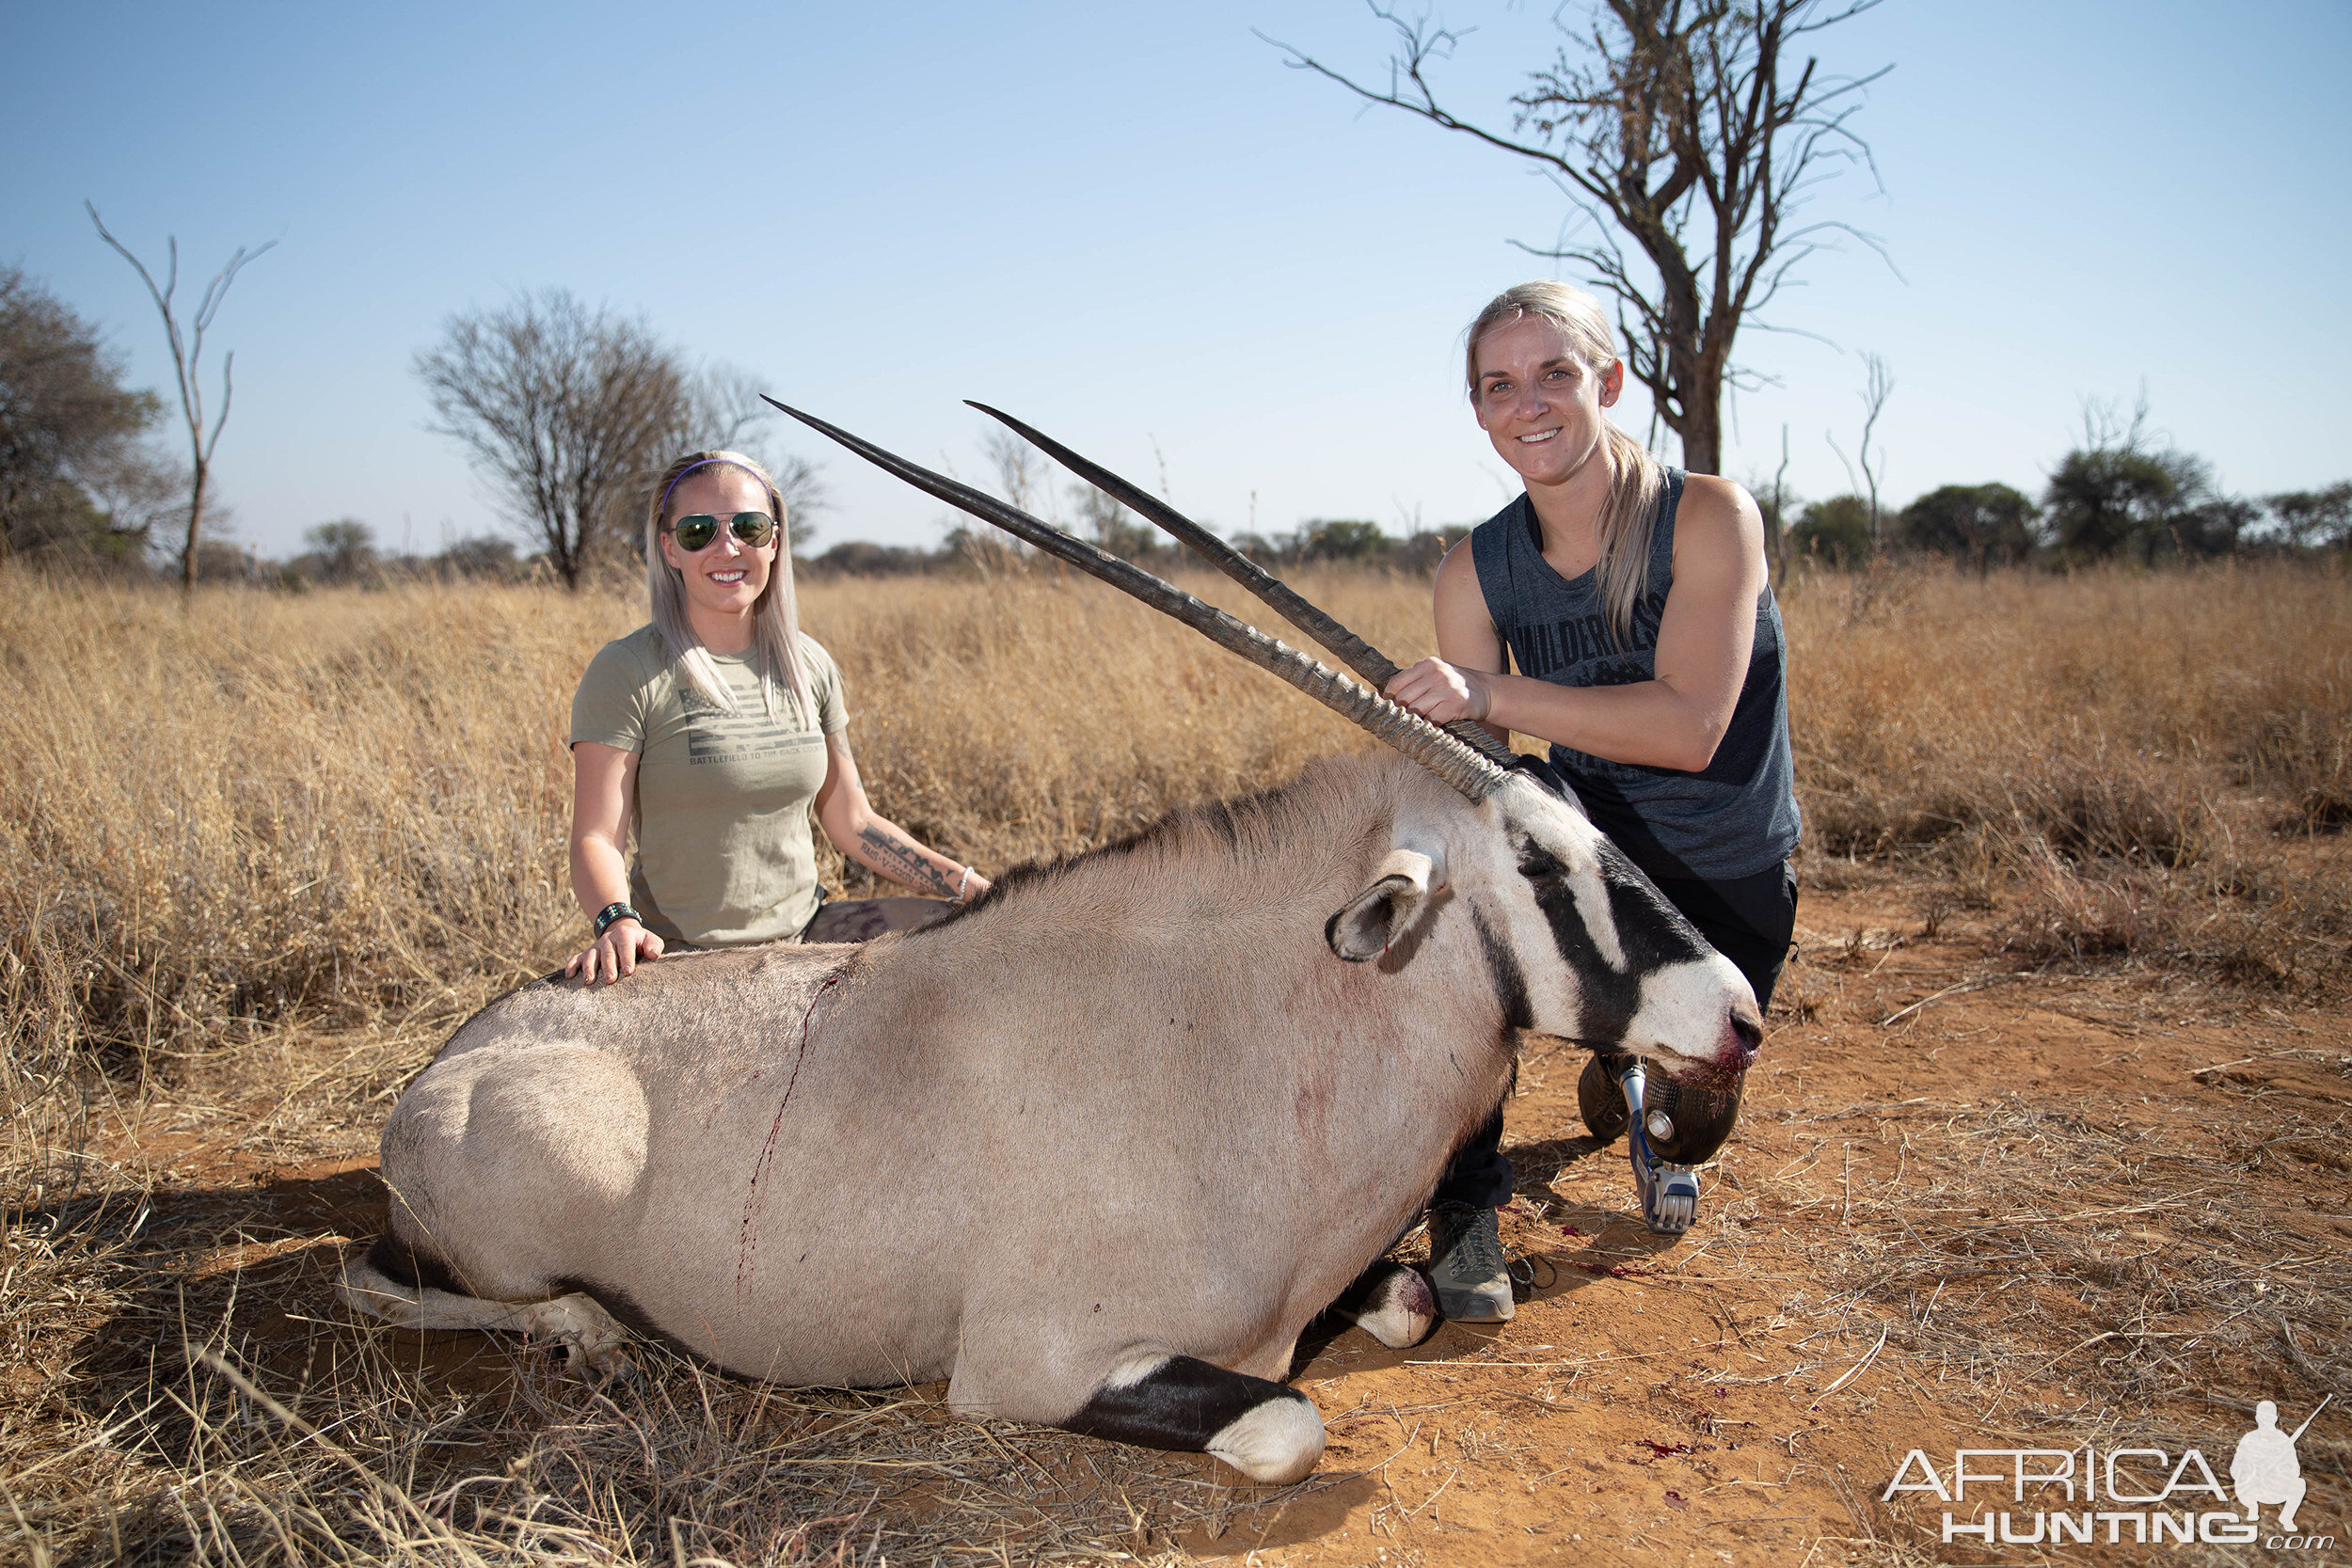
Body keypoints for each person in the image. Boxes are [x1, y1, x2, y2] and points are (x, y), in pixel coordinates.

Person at [1384, 282, 1802, 1321]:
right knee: (1451, 928)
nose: (1529, 404)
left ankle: (1636, 1076)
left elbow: (1692, 728)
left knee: (1693, 1113)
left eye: (1555, 374)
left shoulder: (1708, 515)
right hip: (1589, 853)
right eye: (1499, 384)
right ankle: (1464, 1211)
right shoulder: (1474, 568)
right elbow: (1479, 773)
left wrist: (1484, 692)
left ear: (1607, 382)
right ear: (1478, 411)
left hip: (1718, 866)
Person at [564, 450, 988, 984]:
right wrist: (616, 921)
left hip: (805, 935)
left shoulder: (808, 663)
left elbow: (854, 823)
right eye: (699, 531)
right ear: (669, 548)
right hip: (684, 955)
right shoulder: (627, 670)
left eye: (749, 526)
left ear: (775, 540)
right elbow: (596, 838)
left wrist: (975, 889)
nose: (728, 546)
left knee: (987, 938)